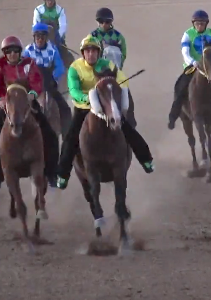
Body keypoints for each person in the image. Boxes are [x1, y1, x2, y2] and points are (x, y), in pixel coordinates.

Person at [54, 36, 155, 190]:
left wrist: (115, 89)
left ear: (98, 52)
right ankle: (62, 175)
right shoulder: (75, 68)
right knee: (70, 138)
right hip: (84, 107)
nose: (91, 54)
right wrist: (86, 98)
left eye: (94, 51)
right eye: (88, 51)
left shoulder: (107, 65)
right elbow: (74, 90)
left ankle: (146, 160)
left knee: (129, 130)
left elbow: (122, 79)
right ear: (83, 53)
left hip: (107, 107)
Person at [0, 36, 60, 192]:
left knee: (50, 134)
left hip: (27, 103)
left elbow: (36, 81)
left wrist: (32, 93)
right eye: (8, 51)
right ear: (4, 53)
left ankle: (52, 173)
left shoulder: (29, 63)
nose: (12, 54)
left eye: (15, 51)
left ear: (20, 52)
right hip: (8, 105)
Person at [168, 9, 211, 129]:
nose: (200, 25)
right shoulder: (188, 34)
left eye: (202, 23)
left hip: (210, 68)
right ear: (193, 24)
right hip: (193, 67)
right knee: (179, 87)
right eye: (197, 23)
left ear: (206, 24)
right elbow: (185, 52)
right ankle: (173, 117)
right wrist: (192, 62)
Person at [22, 22, 72, 135]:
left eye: (43, 37)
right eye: (38, 37)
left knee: (66, 109)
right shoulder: (28, 50)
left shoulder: (53, 49)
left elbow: (60, 67)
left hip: (48, 82)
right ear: (34, 37)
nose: (40, 39)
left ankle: (67, 138)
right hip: (32, 85)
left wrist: (53, 77)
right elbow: (23, 68)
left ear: (46, 37)